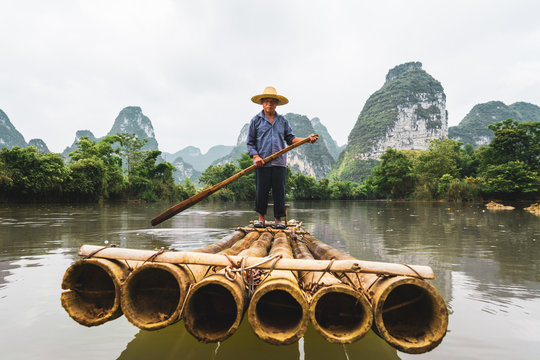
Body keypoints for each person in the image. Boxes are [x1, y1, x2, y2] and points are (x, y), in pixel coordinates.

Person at [246, 86, 318, 229]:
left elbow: (290, 138)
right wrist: (255, 156)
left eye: (272, 101)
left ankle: (278, 220)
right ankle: (261, 219)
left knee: (279, 191)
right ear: (262, 103)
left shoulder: (282, 121)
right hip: (262, 162)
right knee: (261, 190)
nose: (269, 104)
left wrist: (306, 139)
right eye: (266, 101)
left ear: (277, 104)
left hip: (279, 162)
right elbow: (250, 142)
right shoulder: (255, 121)